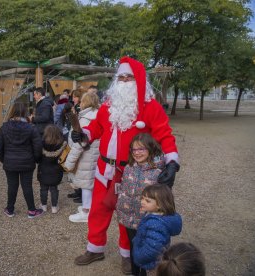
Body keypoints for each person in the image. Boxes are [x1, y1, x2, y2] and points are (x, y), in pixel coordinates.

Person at [72, 56, 179, 275]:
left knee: (129, 216)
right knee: (98, 211)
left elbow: (165, 135)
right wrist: (84, 134)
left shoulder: (151, 108)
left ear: (138, 79)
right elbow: (97, 127)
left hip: (132, 172)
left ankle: (128, 255)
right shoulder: (108, 107)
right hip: (104, 170)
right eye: (120, 77)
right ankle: (95, 248)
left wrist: (172, 162)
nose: (123, 81)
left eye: (128, 77)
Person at [116, 133, 165, 275]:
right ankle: (135, 272)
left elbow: (162, 199)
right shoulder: (129, 168)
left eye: (141, 149)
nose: (137, 153)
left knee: (145, 249)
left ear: (150, 149)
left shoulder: (158, 172)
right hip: (128, 217)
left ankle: (144, 272)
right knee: (133, 247)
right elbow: (124, 189)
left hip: (147, 220)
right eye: (134, 149)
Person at [0, 102, 44, 218]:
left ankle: (10, 209)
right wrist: (36, 159)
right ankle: (31, 210)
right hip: (27, 162)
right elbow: (38, 146)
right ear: (24, 112)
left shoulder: (4, 127)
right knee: (27, 185)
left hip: (10, 162)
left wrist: (4, 159)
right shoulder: (31, 128)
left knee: (12, 185)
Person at [64, 93, 100, 223]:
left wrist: (69, 162)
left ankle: (86, 211)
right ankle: (90, 208)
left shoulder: (85, 118)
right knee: (92, 183)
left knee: (86, 184)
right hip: (95, 154)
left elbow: (80, 143)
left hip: (86, 156)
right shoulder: (98, 114)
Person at [132, 184, 182, 275]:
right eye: (142, 198)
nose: (142, 202)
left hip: (151, 262)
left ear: (159, 204)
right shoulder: (156, 215)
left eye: (147, 201)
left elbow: (152, 249)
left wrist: (138, 256)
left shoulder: (155, 224)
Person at [37, 125, 66, 214]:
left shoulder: (41, 144)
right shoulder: (62, 144)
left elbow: (38, 157)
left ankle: (44, 205)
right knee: (54, 188)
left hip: (43, 170)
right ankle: (54, 206)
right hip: (56, 170)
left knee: (43, 189)